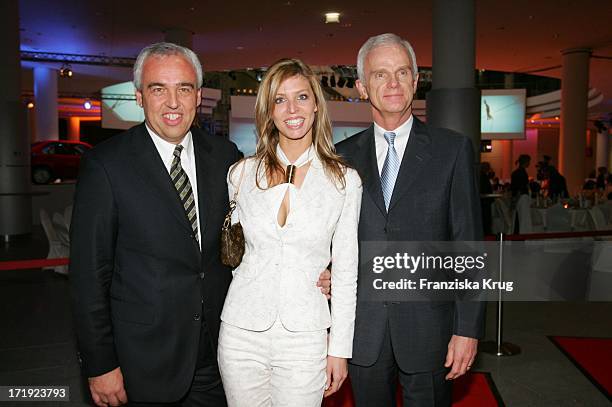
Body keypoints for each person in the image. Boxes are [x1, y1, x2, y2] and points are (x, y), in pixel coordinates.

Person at [69, 43, 332, 406]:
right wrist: (100, 364)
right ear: (139, 97)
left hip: (219, 356)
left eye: (185, 88)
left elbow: (264, 237)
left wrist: (322, 267)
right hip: (143, 363)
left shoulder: (226, 159)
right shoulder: (107, 166)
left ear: (198, 95)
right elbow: (88, 277)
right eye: (158, 88)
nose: (173, 102)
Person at [335, 33, 484, 407]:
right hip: (363, 330)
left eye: (402, 73)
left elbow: (467, 245)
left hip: (430, 330)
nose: (393, 83)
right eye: (380, 75)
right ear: (362, 87)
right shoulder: (340, 158)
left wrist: (467, 329)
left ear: (416, 82)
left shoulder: (451, 150)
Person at [217, 58, 362, 406]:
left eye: (301, 97)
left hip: (306, 336)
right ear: (268, 111)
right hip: (240, 332)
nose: (291, 109)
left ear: (316, 105)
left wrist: (339, 350)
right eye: (279, 100)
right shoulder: (241, 175)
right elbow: (235, 253)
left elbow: (346, 273)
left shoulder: (343, 181)